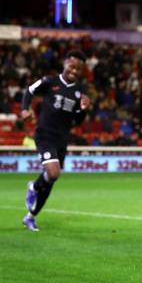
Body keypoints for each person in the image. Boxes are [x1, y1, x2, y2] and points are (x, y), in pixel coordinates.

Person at [21, 50, 91, 231]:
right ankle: (33, 187)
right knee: (53, 173)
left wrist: (83, 110)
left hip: (62, 139)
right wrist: (24, 109)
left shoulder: (79, 92)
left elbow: (77, 122)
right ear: (65, 63)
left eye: (78, 69)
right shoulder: (49, 81)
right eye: (72, 66)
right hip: (45, 135)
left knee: (51, 180)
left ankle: (30, 216)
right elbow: (29, 91)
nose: (74, 71)